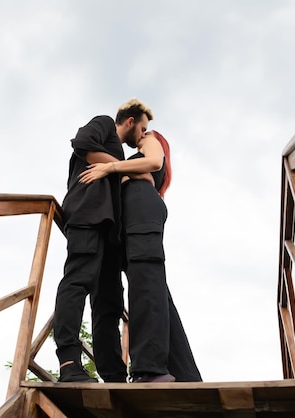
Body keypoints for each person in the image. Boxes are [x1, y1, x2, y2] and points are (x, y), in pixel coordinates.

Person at [78, 130, 202, 383]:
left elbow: (154, 161)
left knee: (146, 279)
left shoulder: (151, 141)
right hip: (126, 213)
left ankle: (150, 369)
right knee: (154, 290)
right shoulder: (136, 164)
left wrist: (112, 167)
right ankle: (185, 374)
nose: (141, 135)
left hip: (139, 205)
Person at [53, 99, 154, 383]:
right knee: (78, 280)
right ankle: (69, 361)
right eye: (143, 128)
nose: (144, 135)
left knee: (109, 301)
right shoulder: (104, 124)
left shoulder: (118, 154)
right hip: (87, 215)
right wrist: (123, 166)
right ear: (131, 121)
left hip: (110, 232)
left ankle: (113, 375)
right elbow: (82, 144)